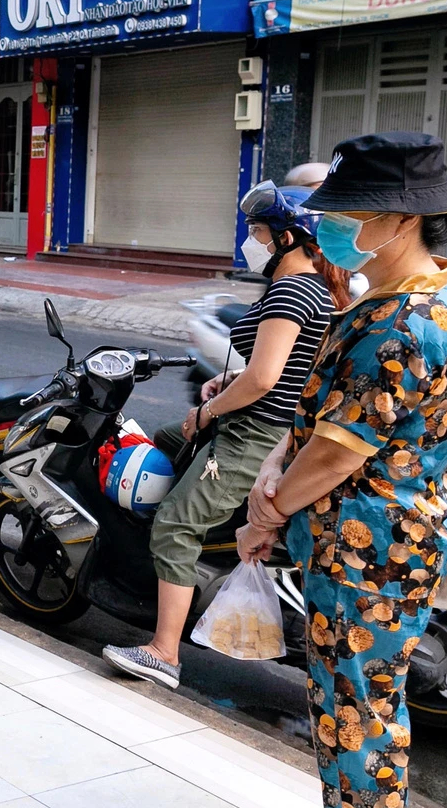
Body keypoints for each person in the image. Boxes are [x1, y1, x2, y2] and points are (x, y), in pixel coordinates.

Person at [239, 131, 447, 808]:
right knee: (339, 695)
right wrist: (278, 464)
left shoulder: (404, 321)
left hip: (377, 546)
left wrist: (269, 508)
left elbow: (342, 450)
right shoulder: (389, 295)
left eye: (349, 211)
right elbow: (322, 415)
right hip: (357, 540)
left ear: (399, 219)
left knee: (365, 705)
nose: (336, 225)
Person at [102, 182, 348, 690]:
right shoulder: (311, 286)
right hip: (261, 420)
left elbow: (264, 379)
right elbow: (283, 371)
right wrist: (227, 381)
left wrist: (209, 410)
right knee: (166, 442)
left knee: (173, 524)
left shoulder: (291, 289)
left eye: (258, 232)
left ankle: (163, 652)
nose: (250, 241)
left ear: (286, 238)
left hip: (252, 435)